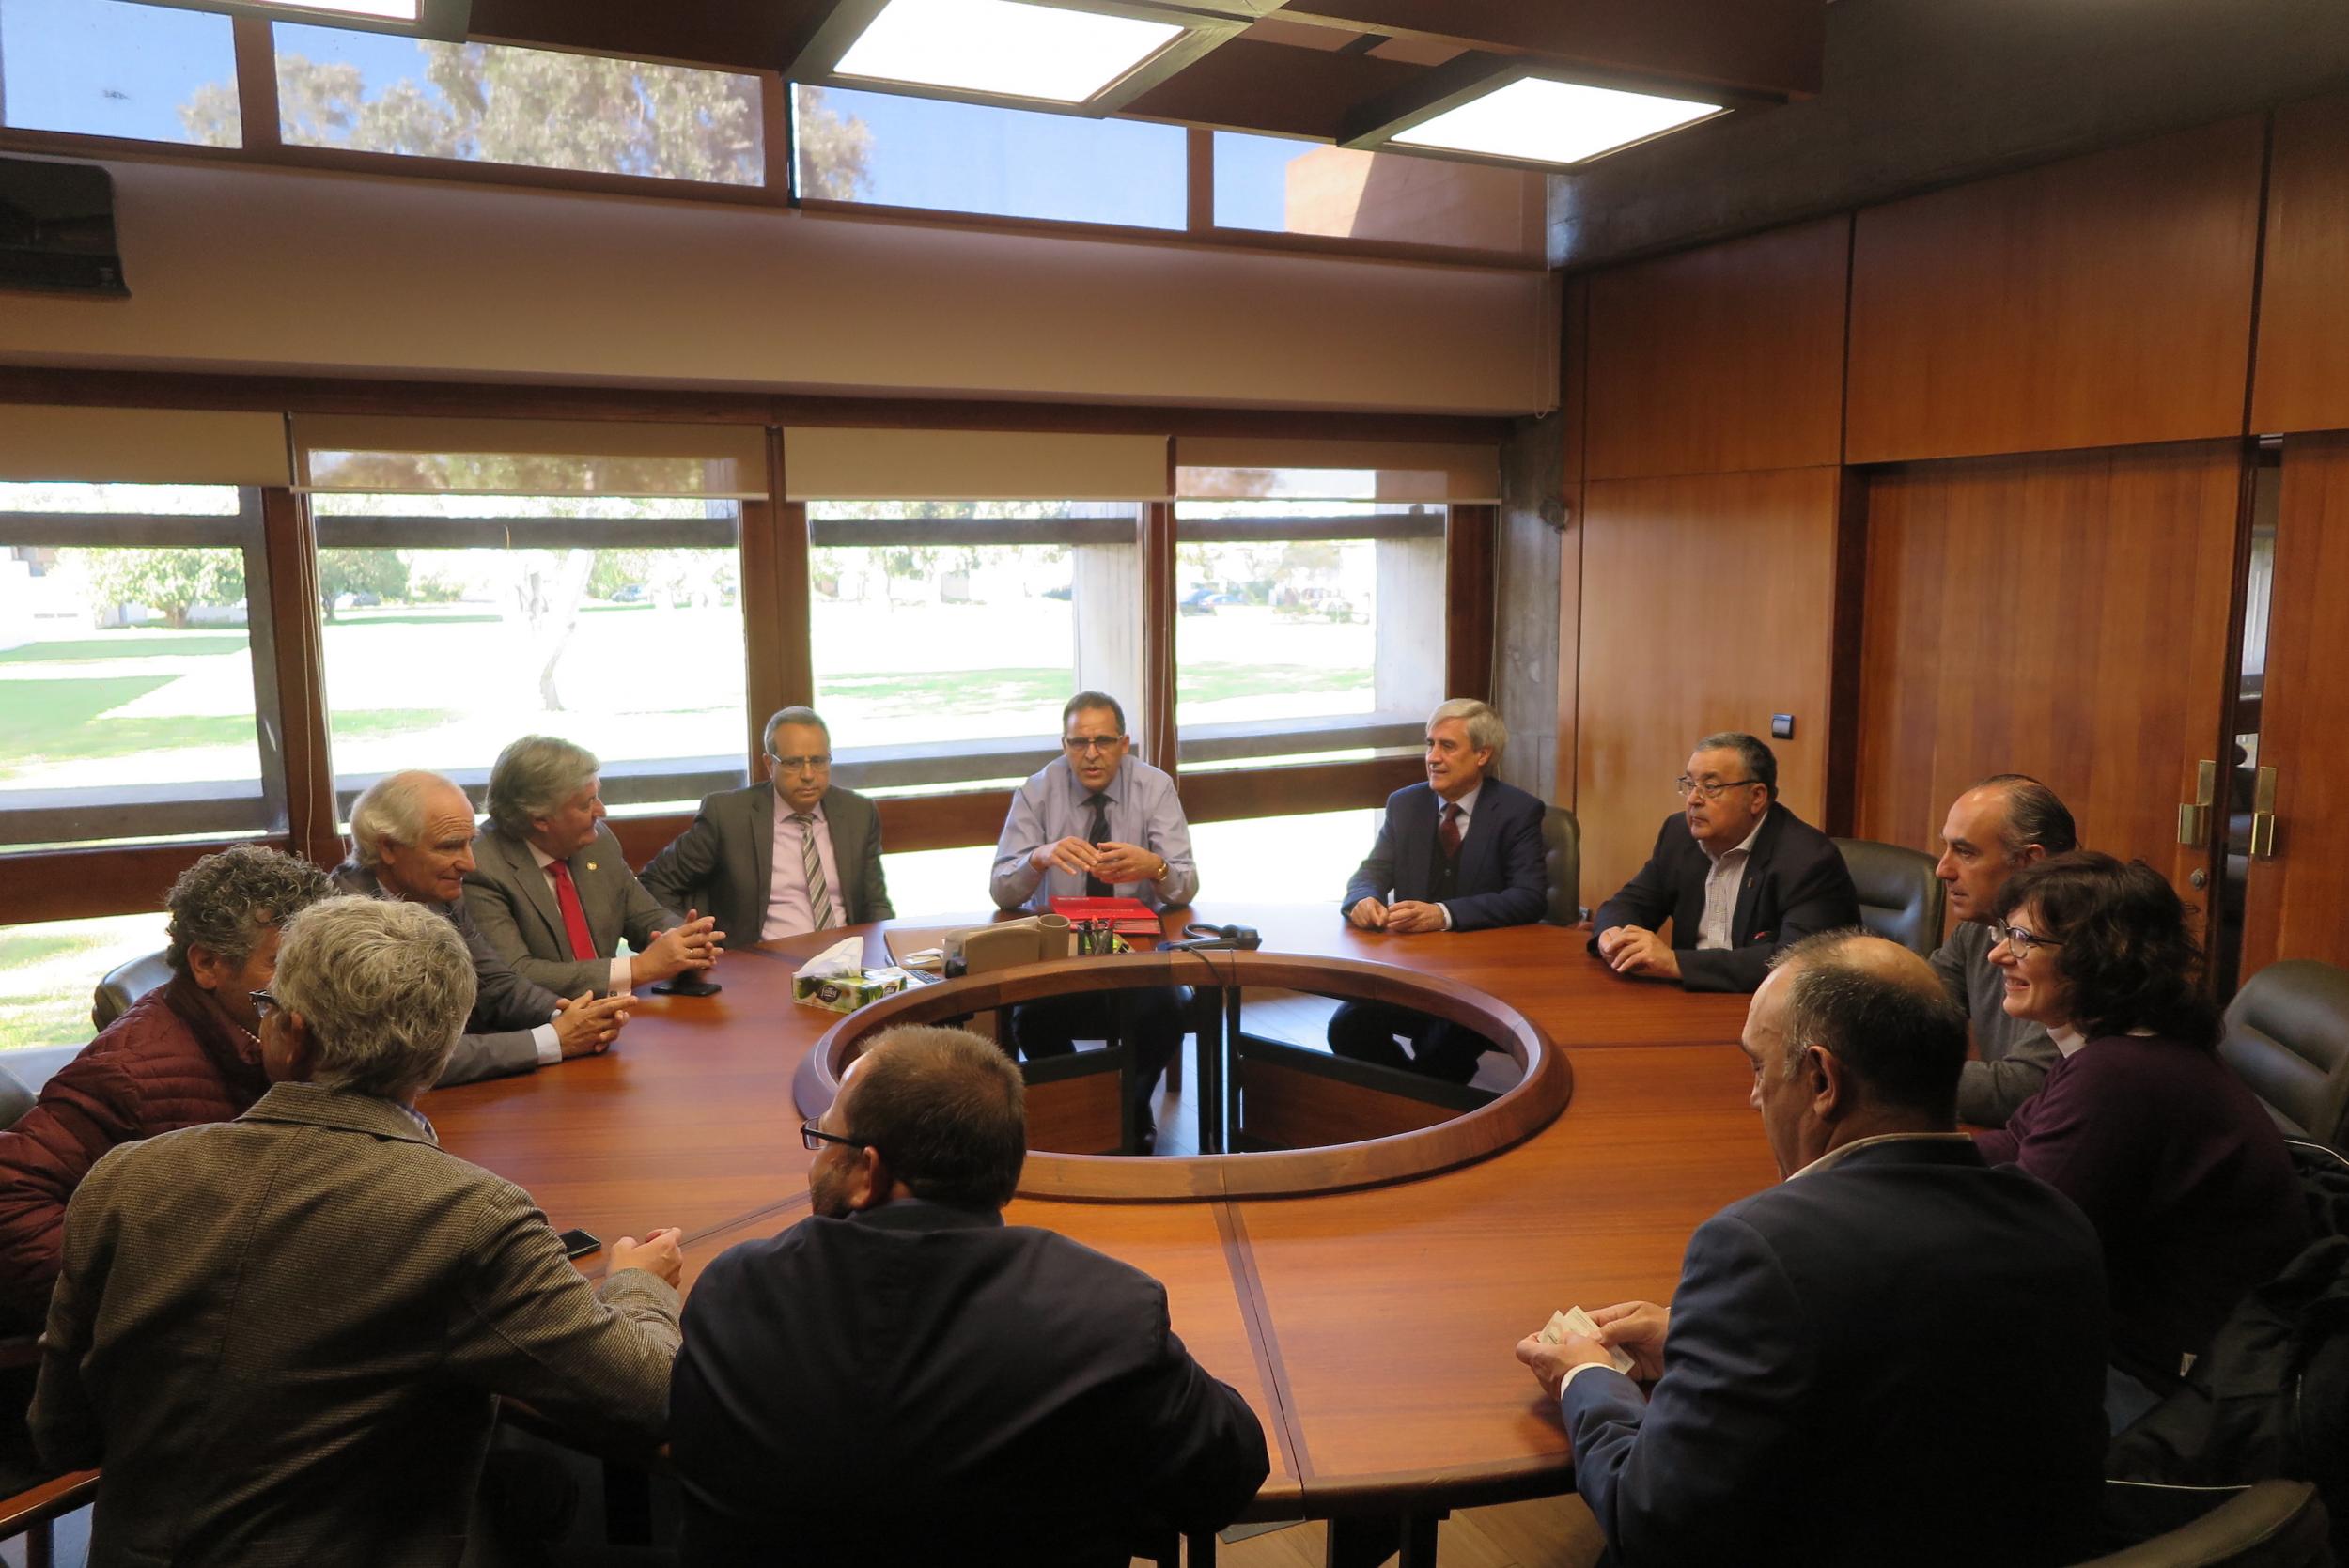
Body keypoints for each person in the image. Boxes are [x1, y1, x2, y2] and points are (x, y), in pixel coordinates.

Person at [30, 894, 686, 1568]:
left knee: (534, 1490)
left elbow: (62, 1436)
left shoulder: (123, 1179)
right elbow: (655, 1398)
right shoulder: (467, 1216)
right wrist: (637, 1287)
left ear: (294, 1033)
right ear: (437, 1054)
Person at [1515, 931, 2108, 1567]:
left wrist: (1589, 1378)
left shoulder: (1762, 1250)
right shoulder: (2058, 1224)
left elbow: (1651, 1521)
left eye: (1759, 1067)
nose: (1754, 1095)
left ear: (1823, 1078)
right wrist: (1704, 1339)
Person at [669, 1024, 1268, 1566]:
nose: (816, 1160)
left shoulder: (733, 1292)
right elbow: (1228, 1474)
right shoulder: (1107, 1315)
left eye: (824, 1138)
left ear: (867, 1173)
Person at [1973, 851, 2310, 1431]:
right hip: (2134, 1338)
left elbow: (2020, 1254)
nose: (1999, 953)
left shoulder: (2122, 1075)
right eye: (2003, 931)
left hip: (2169, 1388)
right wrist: (1886, 1162)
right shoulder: (2122, 1046)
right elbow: (2014, 1143)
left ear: (2101, 958)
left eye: (2024, 939)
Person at [0, 844, 330, 1332]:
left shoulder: (273, 1032)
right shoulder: (131, 1071)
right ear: (207, 965)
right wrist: (144, 1310)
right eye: (283, 963)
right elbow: (11, 1195)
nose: (312, 983)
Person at [989, 691, 1199, 1150]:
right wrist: (1039, 858)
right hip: (1063, 956)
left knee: (1169, 1013)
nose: (1091, 753)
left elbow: (1185, 886)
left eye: (1103, 741)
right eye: (1078, 742)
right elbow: (1002, 890)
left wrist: (1155, 867)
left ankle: (1128, 1106)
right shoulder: (1037, 790)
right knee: (1030, 1019)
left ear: (1125, 743)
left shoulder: (1155, 787)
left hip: (1138, 955)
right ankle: (1089, 1109)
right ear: (1063, 745)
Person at [336, 769, 634, 1088]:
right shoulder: (344, 924)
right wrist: (553, 1040)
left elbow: (492, 981)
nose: (469, 863)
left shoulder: (436, 889)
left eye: (470, 844)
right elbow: (408, 1055)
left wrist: (565, 1015)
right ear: (388, 848)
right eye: (449, 847)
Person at [1330, 698, 1548, 1082]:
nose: (1432, 757)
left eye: (1447, 746)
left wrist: (1443, 914)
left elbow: (1529, 897)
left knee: (1442, 1046)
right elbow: (1372, 871)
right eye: (1430, 744)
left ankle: (1422, 1122)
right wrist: (1364, 899)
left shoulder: (1518, 811)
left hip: (1483, 980)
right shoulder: (1405, 804)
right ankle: (1410, 1112)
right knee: (1347, 1027)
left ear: (1483, 754)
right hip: (1413, 972)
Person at [1589, 731, 1859, 992]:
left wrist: (1675, 962)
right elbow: (1628, 903)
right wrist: (1613, 935)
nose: (1694, 799)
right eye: (1690, 784)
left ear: (1756, 797)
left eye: (1711, 787)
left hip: (1769, 1014)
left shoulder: (1808, 859)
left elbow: (1796, 963)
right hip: (1687, 1004)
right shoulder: (1679, 836)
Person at [464, 733, 725, 996]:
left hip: (613, 1012)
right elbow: (515, 974)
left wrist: (685, 939)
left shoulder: (596, 842)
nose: (602, 811)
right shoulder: (481, 866)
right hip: (539, 1026)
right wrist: (637, 968)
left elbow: (643, 915)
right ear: (540, 819)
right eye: (587, 803)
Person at [642, 706, 894, 947]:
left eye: (818, 761)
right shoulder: (728, 816)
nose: (808, 774)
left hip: (845, 964)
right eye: (793, 763)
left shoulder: (857, 812)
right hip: (761, 965)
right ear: (769, 764)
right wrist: (687, 939)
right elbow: (654, 883)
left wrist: (883, 958)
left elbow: (875, 903)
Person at [1930, 773, 2077, 1126]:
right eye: (1946, 847)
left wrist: (1874, 1074)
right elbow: (1911, 1005)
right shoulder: (1980, 928)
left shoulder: (2080, 942)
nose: (1942, 870)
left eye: (1965, 852)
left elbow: (2022, 1089)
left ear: (2030, 863)